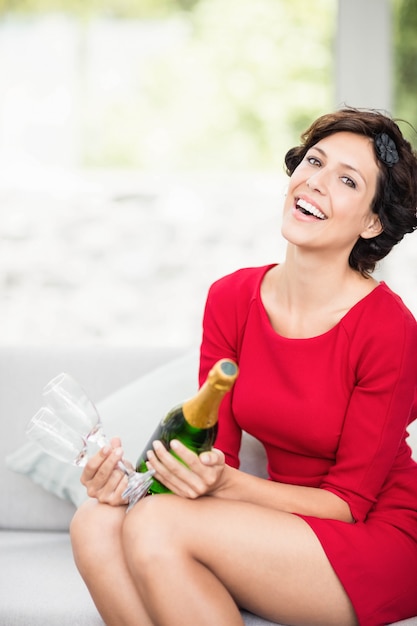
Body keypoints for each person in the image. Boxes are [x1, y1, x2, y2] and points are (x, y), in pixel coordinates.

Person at [70, 107, 417, 626]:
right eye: (314, 162)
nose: (317, 183)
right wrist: (133, 483)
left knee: (158, 524)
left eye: (346, 180)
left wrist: (224, 488)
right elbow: (216, 453)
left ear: (372, 221)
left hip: (376, 535)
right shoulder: (231, 298)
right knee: (94, 523)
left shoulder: (389, 329)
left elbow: (348, 503)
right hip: (275, 523)